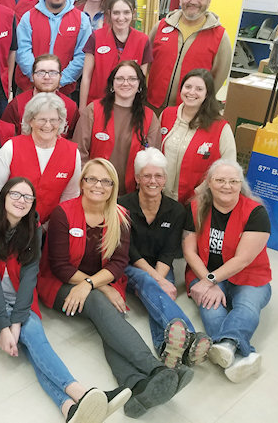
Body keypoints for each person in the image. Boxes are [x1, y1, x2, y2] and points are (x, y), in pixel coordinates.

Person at [0, 177, 131, 422]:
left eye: (27, 197)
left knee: (31, 336)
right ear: (3, 196)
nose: (21, 201)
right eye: (15, 194)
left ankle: (70, 408)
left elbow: (30, 275)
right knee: (32, 336)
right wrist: (4, 326)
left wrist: (16, 322)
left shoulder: (32, 226)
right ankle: (82, 392)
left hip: (20, 296)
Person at [42, 159, 193, 418]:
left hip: (98, 281)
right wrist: (99, 288)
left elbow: (120, 262)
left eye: (105, 181)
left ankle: (138, 386)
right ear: (81, 182)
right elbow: (60, 267)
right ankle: (156, 369)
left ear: (113, 186)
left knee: (106, 322)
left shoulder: (120, 215)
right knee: (101, 306)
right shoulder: (63, 213)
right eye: (91, 179)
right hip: (60, 284)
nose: (98, 185)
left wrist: (94, 284)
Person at [117, 148, 211, 368]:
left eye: (158, 176)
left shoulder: (176, 210)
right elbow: (129, 251)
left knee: (155, 299)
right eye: (147, 176)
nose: (153, 181)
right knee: (153, 287)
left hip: (161, 267)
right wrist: (159, 280)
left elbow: (169, 251)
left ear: (165, 179)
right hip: (130, 266)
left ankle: (165, 349)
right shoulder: (122, 205)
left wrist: (160, 277)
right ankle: (190, 335)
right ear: (138, 178)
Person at [183, 160, 272, 383]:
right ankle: (245, 354)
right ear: (209, 183)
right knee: (211, 310)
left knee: (247, 306)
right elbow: (189, 251)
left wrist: (210, 280)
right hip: (204, 271)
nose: (227, 186)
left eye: (233, 181)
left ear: (240, 185)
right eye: (220, 180)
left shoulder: (256, 212)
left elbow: (243, 260)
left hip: (249, 275)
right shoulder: (194, 207)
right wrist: (207, 280)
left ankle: (227, 345)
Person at [0, 93, 80, 225]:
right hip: (10, 225)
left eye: (53, 120)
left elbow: (70, 196)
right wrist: (8, 221)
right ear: (30, 120)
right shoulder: (11, 147)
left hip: (51, 227)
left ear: (61, 122)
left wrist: (48, 228)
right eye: (42, 119)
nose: (48, 125)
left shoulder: (72, 153)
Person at [73, 61, 159, 195]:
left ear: (140, 85)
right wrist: (91, 183)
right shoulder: (93, 110)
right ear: (112, 84)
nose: (125, 83)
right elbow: (79, 153)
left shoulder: (150, 117)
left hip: (130, 195)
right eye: (119, 78)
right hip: (94, 190)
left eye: (132, 79)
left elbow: (152, 161)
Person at [147, 0, 232, 111]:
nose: (194, 1)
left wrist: (201, 105)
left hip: (189, 111)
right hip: (153, 107)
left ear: (209, 1)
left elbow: (218, 76)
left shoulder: (219, 36)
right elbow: (146, 63)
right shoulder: (161, 27)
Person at [159, 69, 235, 204]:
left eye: (199, 89)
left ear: (207, 94)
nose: (191, 92)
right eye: (188, 87)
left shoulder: (220, 127)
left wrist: (199, 192)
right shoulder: (167, 114)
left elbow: (229, 168)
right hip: (160, 197)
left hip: (196, 202)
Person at [16, 0, 91, 94]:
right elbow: (22, 51)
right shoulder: (28, 17)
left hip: (64, 90)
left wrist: (60, 80)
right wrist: (38, 78)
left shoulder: (81, 20)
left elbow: (82, 55)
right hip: (29, 89)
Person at [79, 0, 152, 110]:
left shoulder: (143, 41)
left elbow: (141, 81)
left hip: (128, 106)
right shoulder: (96, 37)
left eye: (126, 12)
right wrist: (82, 108)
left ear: (133, 13)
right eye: (116, 13)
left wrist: (138, 108)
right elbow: (86, 76)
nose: (121, 18)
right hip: (97, 104)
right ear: (109, 13)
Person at [1, 53, 78, 136]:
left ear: (60, 76)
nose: (47, 77)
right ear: (32, 76)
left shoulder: (71, 107)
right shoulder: (17, 105)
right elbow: (5, 137)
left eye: (53, 72)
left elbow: (74, 140)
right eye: (41, 72)